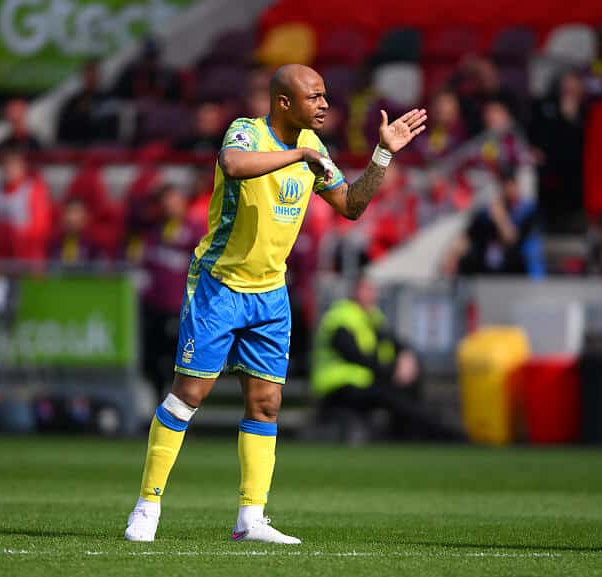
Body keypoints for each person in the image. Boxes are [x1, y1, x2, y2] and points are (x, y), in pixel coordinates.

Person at [124, 64, 427, 544]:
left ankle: (251, 519)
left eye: (326, 95)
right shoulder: (247, 131)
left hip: (270, 293)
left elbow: (350, 205)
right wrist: (300, 154)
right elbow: (232, 166)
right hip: (219, 285)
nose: (325, 104)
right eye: (315, 97)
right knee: (190, 395)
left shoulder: (315, 147)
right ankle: (148, 506)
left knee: (266, 403)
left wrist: (382, 156)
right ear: (284, 102)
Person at [311, 277, 456, 442]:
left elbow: (394, 342)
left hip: (365, 381)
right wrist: (392, 371)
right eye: (368, 290)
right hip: (337, 386)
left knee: (409, 383)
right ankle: (434, 434)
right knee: (392, 397)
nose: (373, 295)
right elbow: (355, 356)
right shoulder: (340, 317)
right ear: (356, 292)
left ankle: (418, 431)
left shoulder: (373, 317)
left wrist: (406, 357)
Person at [140, 184, 206, 400]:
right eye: (165, 201)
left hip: (182, 311)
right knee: (153, 360)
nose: (169, 206)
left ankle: (181, 408)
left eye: (174, 200)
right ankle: (158, 403)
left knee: (180, 363)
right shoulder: (155, 232)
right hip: (155, 309)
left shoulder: (194, 232)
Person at [446, 170, 544, 278]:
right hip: (489, 272)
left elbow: (511, 239)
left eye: (508, 185)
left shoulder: (528, 211)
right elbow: (469, 235)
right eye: (502, 186)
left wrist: (501, 219)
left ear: (515, 185)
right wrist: (453, 256)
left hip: (519, 271)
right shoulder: (490, 211)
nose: (505, 190)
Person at [530, 70, 587, 234]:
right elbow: (536, 132)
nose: (568, 88)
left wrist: (571, 118)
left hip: (575, 167)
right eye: (565, 83)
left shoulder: (587, 110)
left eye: (573, 83)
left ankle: (572, 221)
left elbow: (583, 141)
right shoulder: (545, 105)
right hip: (547, 165)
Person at [0, 149, 52, 261]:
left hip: (25, 252)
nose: (9, 169)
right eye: (6, 165)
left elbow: (41, 228)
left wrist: (13, 233)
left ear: (23, 167)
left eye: (13, 165)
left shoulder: (34, 190)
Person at [57, 60, 116, 146]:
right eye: (88, 74)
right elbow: (63, 133)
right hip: (77, 149)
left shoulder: (108, 100)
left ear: (99, 76)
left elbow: (112, 131)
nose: (91, 77)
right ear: (82, 76)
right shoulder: (73, 102)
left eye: (94, 74)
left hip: (101, 149)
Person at [47, 197, 100, 264]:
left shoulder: (93, 244)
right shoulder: (54, 243)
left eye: (76, 212)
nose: (72, 217)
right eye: (69, 211)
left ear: (85, 217)